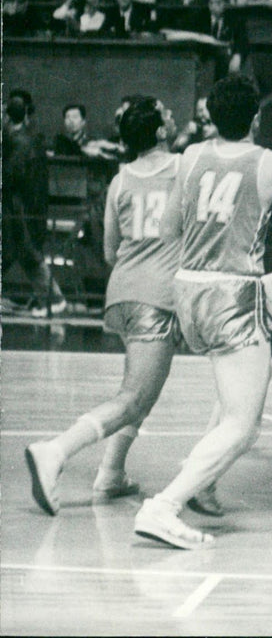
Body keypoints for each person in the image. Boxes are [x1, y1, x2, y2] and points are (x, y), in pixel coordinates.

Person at [133, 75, 272, 549]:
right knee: (244, 425)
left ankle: (202, 482)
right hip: (233, 294)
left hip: (187, 289)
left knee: (231, 400)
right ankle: (164, 505)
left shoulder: (189, 158)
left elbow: (168, 228)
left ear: (210, 115)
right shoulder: (268, 165)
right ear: (257, 119)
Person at [24, 98, 182, 514]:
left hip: (122, 292)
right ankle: (55, 452)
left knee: (140, 392)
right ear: (162, 131)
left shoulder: (121, 179)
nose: (171, 117)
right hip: (157, 296)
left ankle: (111, 472)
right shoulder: (185, 168)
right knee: (134, 397)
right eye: (167, 115)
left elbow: (110, 250)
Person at [2, 92, 66, 317]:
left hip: (18, 209)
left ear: (8, 118)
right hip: (23, 207)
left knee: (25, 255)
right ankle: (54, 298)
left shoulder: (18, 143)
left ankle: (54, 298)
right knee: (21, 255)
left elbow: (11, 177)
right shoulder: (29, 139)